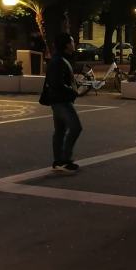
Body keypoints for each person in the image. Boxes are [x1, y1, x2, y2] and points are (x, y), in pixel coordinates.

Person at [44, 33, 82, 173]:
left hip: (59, 100)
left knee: (60, 130)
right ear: (66, 44)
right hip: (61, 101)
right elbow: (56, 83)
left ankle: (59, 161)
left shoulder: (60, 59)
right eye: (72, 41)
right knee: (75, 127)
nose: (74, 44)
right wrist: (72, 91)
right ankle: (64, 160)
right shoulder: (59, 60)